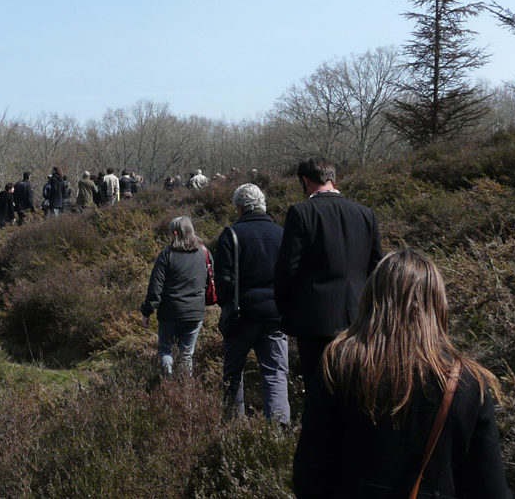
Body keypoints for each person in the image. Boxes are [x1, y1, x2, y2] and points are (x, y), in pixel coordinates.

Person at [293, 250, 509, 498]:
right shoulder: (469, 382)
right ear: (437, 303)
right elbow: (489, 488)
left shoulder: (339, 365)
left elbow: (309, 473)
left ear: (371, 298)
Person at [275, 158, 383, 391]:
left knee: (319, 390)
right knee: (355, 388)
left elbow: (288, 268)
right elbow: (377, 266)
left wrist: (285, 309)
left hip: (315, 319)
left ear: (305, 180)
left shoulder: (301, 213)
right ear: (332, 178)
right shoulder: (366, 214)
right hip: (358, 316)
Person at [213, 184, 290, 424]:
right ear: (263, 204)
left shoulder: (230, 235)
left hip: (240, 316)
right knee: (275, 374)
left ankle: (234, 427)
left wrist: (226, 305)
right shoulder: (282, 233)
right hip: (276, 315)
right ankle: (278, 430)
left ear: (239, 207)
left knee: (233, 374)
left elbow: (223, 280)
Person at [141, 216, 209, 376]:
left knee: (166, 350)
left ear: (175, 233)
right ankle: (184, 391)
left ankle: (167, 386)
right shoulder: (204, 253)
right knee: (186, 354)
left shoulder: (166, 255)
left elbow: (155, 289)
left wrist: (146, 312)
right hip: (195, 312)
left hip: (170, 312)